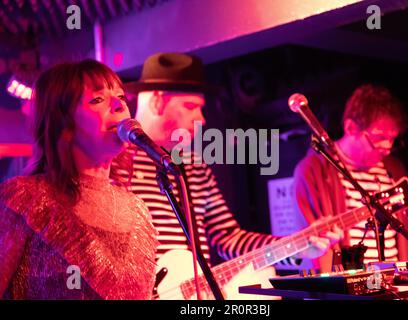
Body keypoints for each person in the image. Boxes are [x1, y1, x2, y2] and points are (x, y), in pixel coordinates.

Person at [121, 52, 342, 299]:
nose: (201, 118)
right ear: (157, 102)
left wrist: (297, 246)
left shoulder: (194, 165)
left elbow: (229, 239)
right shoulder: (115, 162)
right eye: (191, 106)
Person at [0, 60, 158, 300]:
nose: (118, 105)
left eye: (121, 97)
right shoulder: (24, 199)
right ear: (64, 124)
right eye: (97, 99)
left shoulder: (138, 211)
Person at [293, 84, 408, 272]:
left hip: (400, 287)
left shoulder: (395, 169)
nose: (387, 146)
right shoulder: (314, 171)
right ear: (351, 128)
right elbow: (314, 251)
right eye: (378, 137)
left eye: (393, 138)